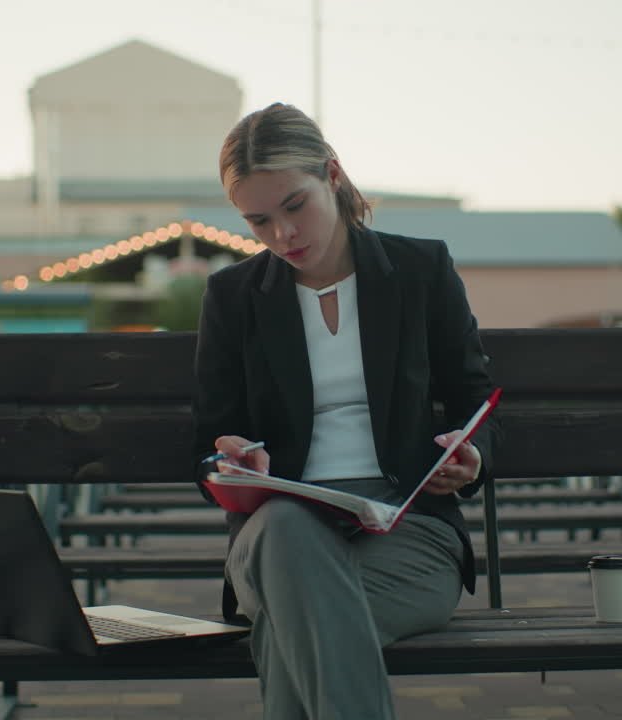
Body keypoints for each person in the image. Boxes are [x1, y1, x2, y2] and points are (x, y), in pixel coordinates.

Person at [192, 102, 500, 720]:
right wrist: (232, 461)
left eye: (295, 206)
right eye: (259, 221)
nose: (283, 235)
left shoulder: (420, 270)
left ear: (332, 175)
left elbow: (476, 400)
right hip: (275, 530)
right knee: (285, 532)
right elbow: (206, 443)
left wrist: (471, 461)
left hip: (408, 532)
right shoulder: (233, 297)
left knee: (290, 628)